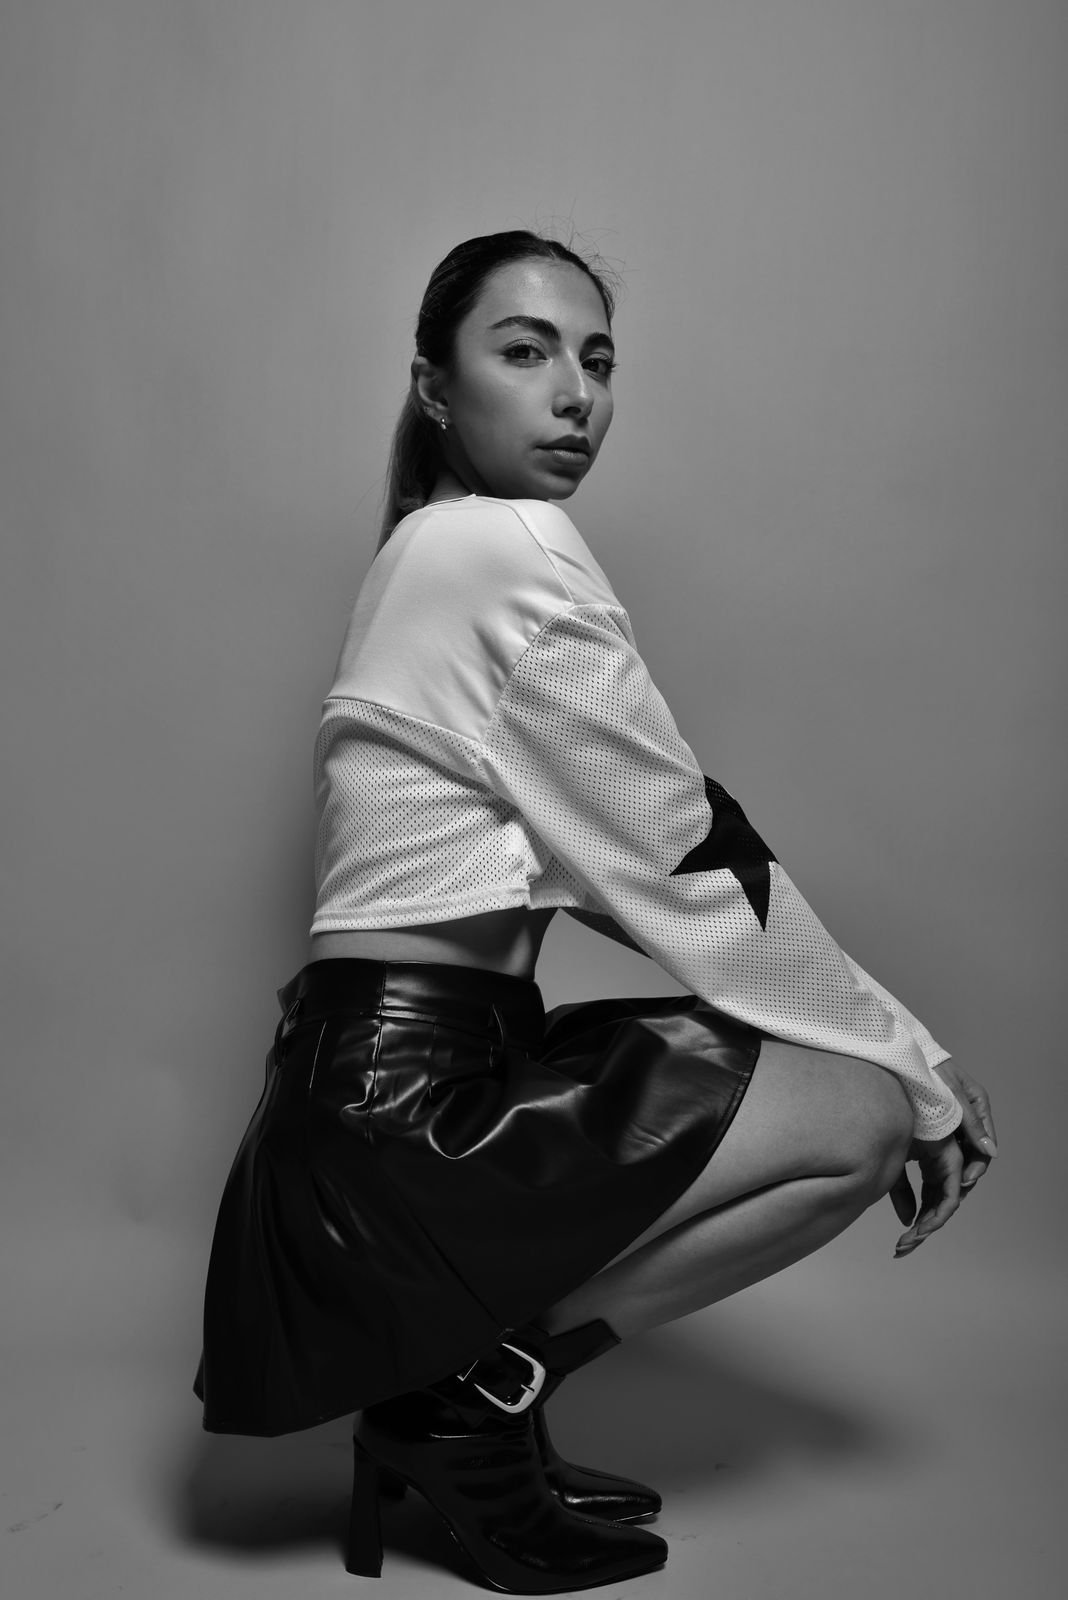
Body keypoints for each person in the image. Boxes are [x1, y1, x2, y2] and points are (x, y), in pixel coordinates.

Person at [193, 230, 998, 1594]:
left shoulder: (424, 549)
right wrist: (916, 1065)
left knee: (829, 1075)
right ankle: (474, 1399)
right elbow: (686, 863)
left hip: (369, 1094)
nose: (576, 394)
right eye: (525, 352)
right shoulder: (502, 547)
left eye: (599, 360)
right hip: (408, 1116)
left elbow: (638, 872)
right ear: (435, 387)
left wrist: (874, 1033)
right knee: (860, 1115)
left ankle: (468, 1392)